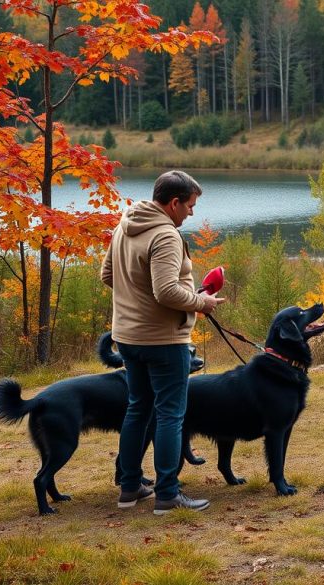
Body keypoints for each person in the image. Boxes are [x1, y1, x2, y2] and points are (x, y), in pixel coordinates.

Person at [101, 170, 225, 514]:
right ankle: (167, 494)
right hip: (163, 341)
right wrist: (203, 302)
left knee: (138, 408)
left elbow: (108, 275)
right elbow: (167, 291)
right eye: (190, 206)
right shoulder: (166, 236)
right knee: (171, 414)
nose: (191, 213)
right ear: (173, 203)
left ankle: (129, 488)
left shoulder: (124, 225)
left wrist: (136, 305)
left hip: (127, 336)